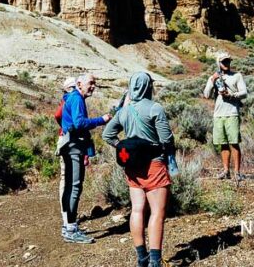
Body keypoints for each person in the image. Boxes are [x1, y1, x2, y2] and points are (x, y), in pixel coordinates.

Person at [103, 72, 176, 267]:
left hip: (133, 166)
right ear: (147, 87)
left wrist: (124, 146)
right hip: (154, 165)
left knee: (136, 210)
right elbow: (166, 139)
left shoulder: (124, 111)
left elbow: (107, 134)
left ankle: (141, 258)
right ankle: (155, 260)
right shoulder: (154, 108)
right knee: (157, 212)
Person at [59, 73, 112, 244]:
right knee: (74, 187)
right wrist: (101, 120)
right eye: (90, 83)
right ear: (79, 83)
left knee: (69, 187)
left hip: (71, 147)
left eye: (94, 84)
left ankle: (68, 226)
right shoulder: (77, 99)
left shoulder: (73, 98)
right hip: (74, 147)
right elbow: (79, 123)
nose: (93, 86)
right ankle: (71, 230)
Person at [202, 51, 248, 180]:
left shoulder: (237, 76)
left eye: (228, 61)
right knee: (222, 143)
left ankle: (237, 172)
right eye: (223, 62)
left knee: (234, 142)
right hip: (218, 114)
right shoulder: (213, 77)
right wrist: (212, 80)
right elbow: (206, 95)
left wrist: (232, 95)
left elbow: (244, 92)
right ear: (218, 63)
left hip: (232, 113)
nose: (226, 64)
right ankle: (226, 170)